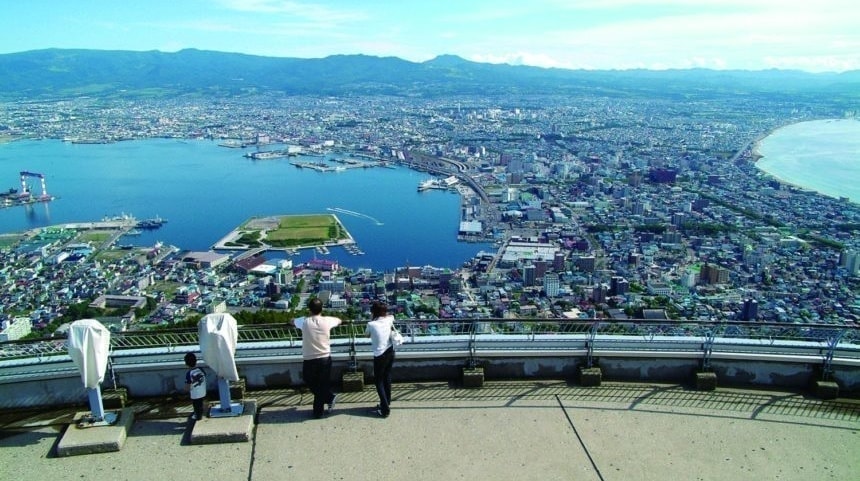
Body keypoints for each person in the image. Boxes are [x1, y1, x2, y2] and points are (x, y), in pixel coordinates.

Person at [294, 297, 343, 418]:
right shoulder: (327, 320)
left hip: (309, 358)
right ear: (322, 309)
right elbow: (339, 320)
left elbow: (292, 321)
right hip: (325, 357)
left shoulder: (304, 321)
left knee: (309, 380)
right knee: (322, 384)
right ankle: (327, 400)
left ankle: (319, 410)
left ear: (309, 309)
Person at [365, 301, 395, 418]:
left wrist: (371, 318)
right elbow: (391, 316)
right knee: (387, 377)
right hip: (390, 352)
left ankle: (385, 409)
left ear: (373, 312)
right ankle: (386, 402)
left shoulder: (371, 324)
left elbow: (366, 335)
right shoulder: (388, 320)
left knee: (378, 381)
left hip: (379, 355)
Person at [184, 352, 207, 421]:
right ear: (196, 361)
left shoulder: (189, 373)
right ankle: (200, 412)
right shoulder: (200, 369)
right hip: (203, 391)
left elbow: (188, 385)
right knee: (200, 402)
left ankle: (198, 416)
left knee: (196, 405)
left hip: (195, 394)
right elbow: (204, 376)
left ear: (186, 363)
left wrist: (185, 389)